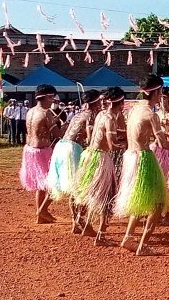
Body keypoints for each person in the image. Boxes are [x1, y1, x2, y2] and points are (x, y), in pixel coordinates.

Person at [114, 74, 169, 255]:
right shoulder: (151, 114)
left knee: (139, 199)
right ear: (157, 92)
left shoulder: (133, 109)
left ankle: (128, 237)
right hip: (143, 158)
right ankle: (142, 245)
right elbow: (164, 143)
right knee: (157, 203)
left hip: (131, 156)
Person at [74, 87, 126, 245]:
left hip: (89, 155)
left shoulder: (101, 115)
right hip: (101, 159)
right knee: (108, 196)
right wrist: (128, 144)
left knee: (87, 192)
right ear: (121, 103)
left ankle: (83, 223)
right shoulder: (110, 118)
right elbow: (112, 146)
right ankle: (101, 235)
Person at [47, 90, 101, 234]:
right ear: (95, 102)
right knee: (82, 187)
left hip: (62, 147)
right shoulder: (91, 115)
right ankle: (83, 223)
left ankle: (75, 222)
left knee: (74, 187)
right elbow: (90, 138)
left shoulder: (78, 114)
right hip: (72, 149)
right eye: (100, 101)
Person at [20, 84, 63, 224]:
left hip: (30, 150)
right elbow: (57, 135)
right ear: (46, 97)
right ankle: (42, 210)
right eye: (52, 98)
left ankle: (41, 216)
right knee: (55, 182)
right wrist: (69, 126)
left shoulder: (30, 111)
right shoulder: (46, 113)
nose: (53, 101)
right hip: (42, 151)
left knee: (41, 185)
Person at [149, 86, 169, 225]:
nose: (162, 101)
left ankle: (166, 213)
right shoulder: (156, 113)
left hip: (168, 150)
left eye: (165, 98)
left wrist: (167, 129)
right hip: (157, 148)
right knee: (156, 181)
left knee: (165, 182)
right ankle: (157, 211)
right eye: (161, 98)